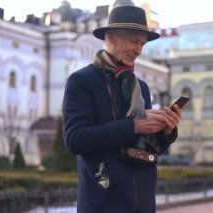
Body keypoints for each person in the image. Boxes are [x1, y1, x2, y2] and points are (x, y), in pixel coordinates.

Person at [62, 5, 182, 213]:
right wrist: (133, 126)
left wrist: (166, 131)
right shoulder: (82, 81)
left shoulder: (140, 87)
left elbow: (148, 150)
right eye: (134, 41)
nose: (138, 50)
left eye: (142, 44)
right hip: (103, 203)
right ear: (111, 37)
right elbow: (75, 139)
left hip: (142, 204)